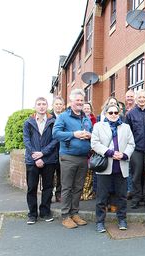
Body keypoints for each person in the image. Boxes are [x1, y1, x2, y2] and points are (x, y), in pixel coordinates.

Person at [91, 104, 135, 233]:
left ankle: (122, 219)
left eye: (116, 112)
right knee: (102, 197)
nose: (114, 115)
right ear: (105, 114)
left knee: (121, 196)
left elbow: (131, 144)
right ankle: (100, 222)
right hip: (105, 166)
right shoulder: (98, 126)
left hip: (121, 166)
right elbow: (94, 143)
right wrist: (110, 153)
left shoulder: (126, 127)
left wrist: (124, 154)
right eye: (111, 113)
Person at [53, 89, 93, 229]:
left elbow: (93, 135)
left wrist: (89, 135)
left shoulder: (86, 118)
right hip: (68, 157)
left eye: (82, 100)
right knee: (67, 187)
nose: (80, 103)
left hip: (83, 158)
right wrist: (73, 134)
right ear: (71, 101)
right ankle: (65, 216)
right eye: (77, 100)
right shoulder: (63, 117)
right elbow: (56, 133)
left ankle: (75, 213)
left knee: (78, 188)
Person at [23, 97, 58, 224]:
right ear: (35, 106)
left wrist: (42, 154)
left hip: (48, 160)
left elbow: (55, 140)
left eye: (44, 104)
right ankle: (32, 214)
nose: (41, 106)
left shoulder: (53, 122)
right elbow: (26, 141)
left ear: (47, 106)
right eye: (39, 104)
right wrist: (36, 156)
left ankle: (45, 212)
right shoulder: (28, 122)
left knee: (48, 187)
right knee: (31, 188)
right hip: (32, 161)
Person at [125, 90, 145, 209]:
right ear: (136, 99)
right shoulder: (130, 114)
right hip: (136, 149)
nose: (142, 99)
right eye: (140, 97)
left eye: (144, 97)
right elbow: (127, 133)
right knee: (136, 175)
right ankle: (136, 198)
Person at [51, 96, 65, 203]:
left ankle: (59, 194)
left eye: (60, 104)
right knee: (50, 174)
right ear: (53, 106)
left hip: (63, 150)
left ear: (63, 106)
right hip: (51, 151)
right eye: (57, 104)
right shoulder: (49, 118)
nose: (58, 106)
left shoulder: (65, 117)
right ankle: (49, 194)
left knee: (61, 174)